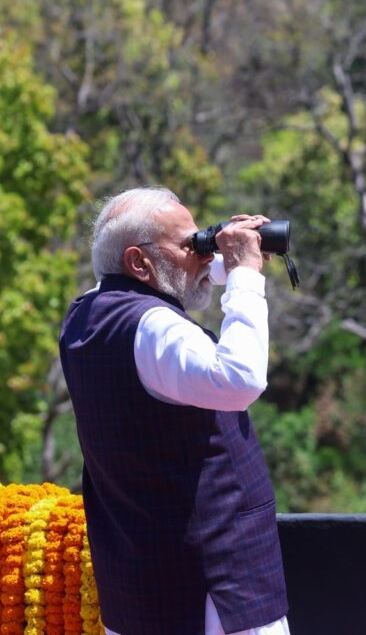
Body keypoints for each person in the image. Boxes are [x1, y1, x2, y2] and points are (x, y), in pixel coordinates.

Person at [58, 187, 290, 635]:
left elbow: (174, 274)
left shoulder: (87, 315)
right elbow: (241, 379)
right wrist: (244, 276)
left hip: (139, 582)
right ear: (139, 262)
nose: (201, 252)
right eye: (190, 244)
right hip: (216, 590)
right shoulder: (156, 327)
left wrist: (227, 253)